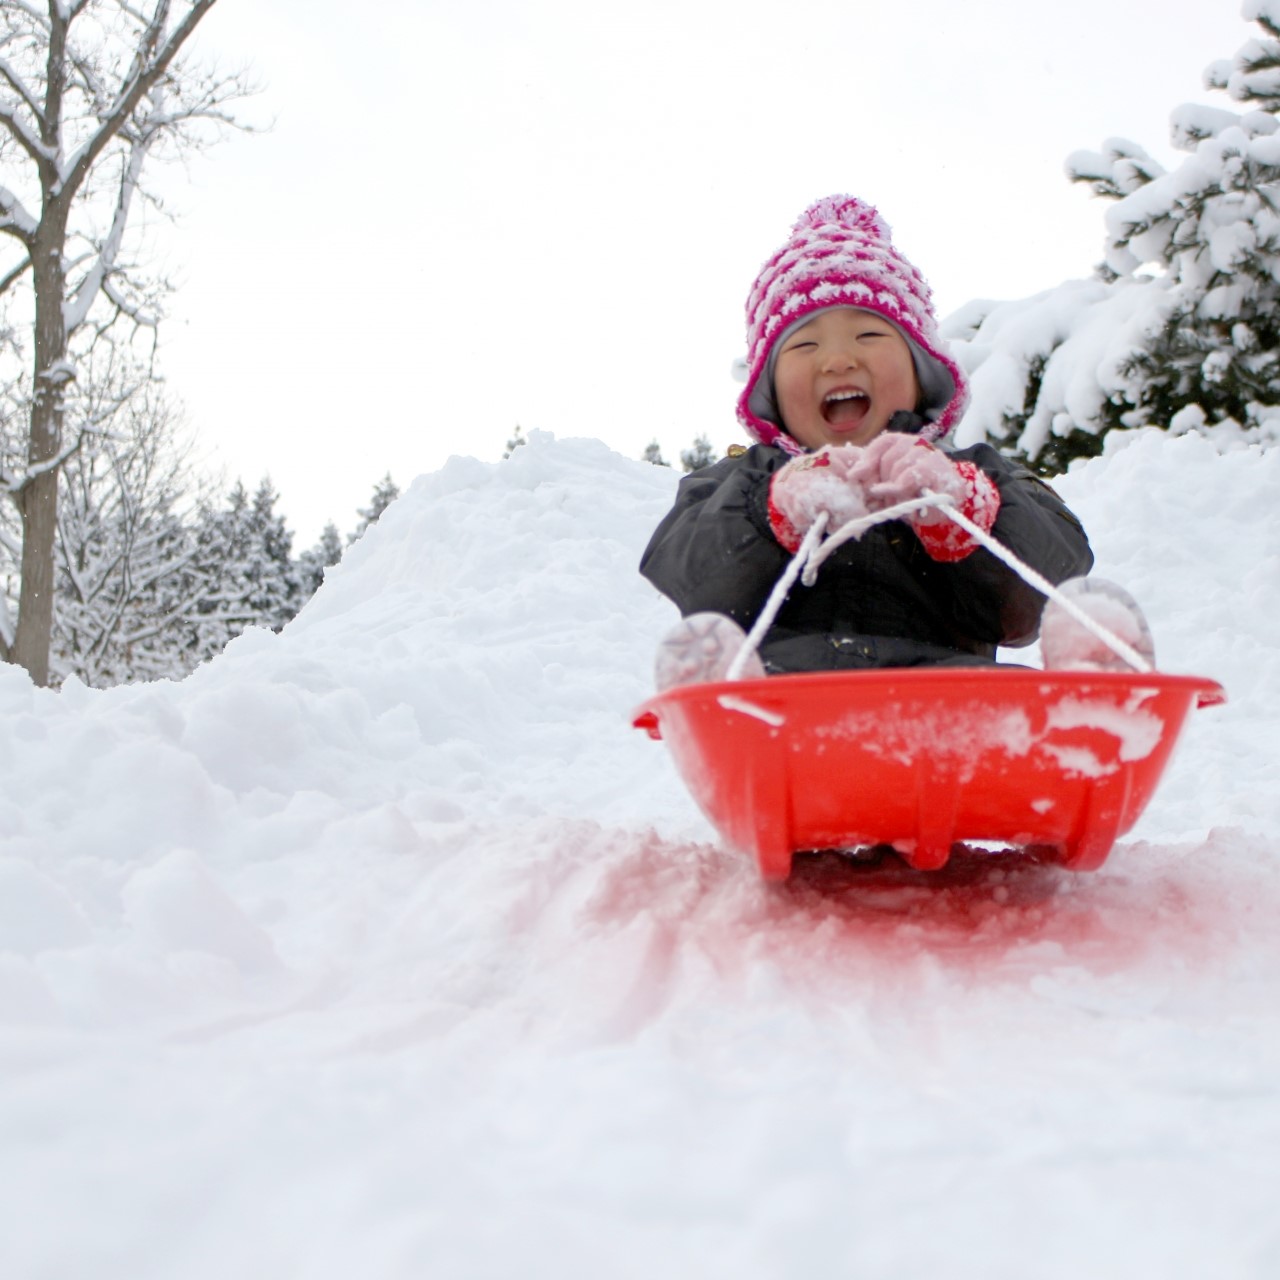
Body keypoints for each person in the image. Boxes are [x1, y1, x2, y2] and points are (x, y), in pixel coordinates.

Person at [640, 195, 1153, 688]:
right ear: (769, 390)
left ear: (920, 370)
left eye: (869, 336)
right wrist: (769, 511)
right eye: (804, 344)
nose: (838, 360)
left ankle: (1092, 691)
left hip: (947, 700)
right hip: (787, 701)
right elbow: (692, 580)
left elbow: (1041, 590)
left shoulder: (974, 472)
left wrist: (966, 508)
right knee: (718, 652)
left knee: (1046, 640)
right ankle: (713, 708)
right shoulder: (743, 480)